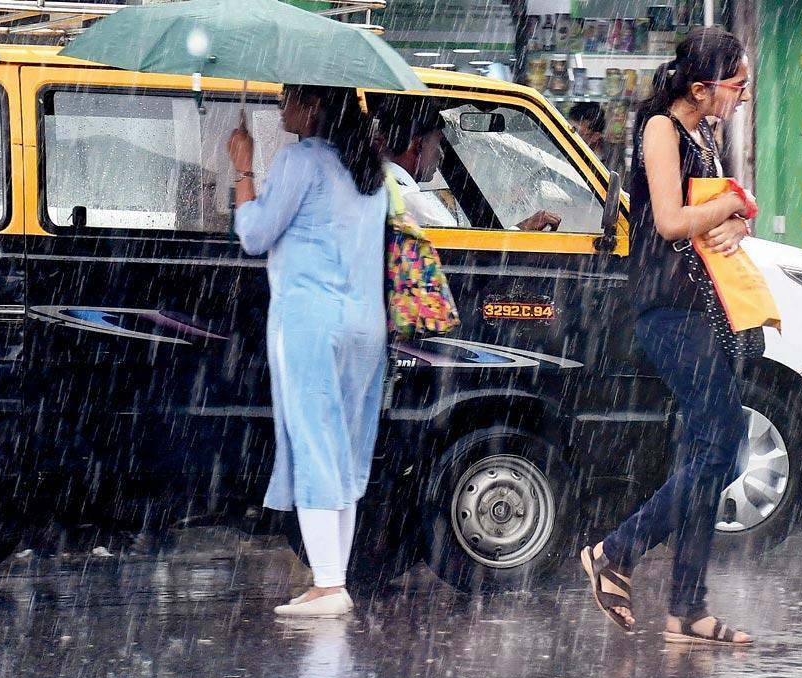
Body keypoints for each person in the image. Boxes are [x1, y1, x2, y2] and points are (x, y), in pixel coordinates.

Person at [580, 28, 754, 647]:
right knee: (725, 444)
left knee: (711, 452)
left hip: (705, 306)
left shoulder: (705, 135)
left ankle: (686, 606)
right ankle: (615, 552)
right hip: (667, 307)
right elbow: (671, 219)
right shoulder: (661, 128)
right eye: (738, 85)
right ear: (702, 86)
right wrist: (735, 202)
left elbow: (715, 218)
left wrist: (734, 214)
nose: (744, 96)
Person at [227, 85, 388, 617]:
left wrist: (244, 169)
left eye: (289, 98)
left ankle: (327, 583)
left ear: (313, 107)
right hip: (366, 325)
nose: (280, 106)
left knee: (316, 441)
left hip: (311, 323)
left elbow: (255, 234)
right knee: (343, 448)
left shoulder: (301, 161)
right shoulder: (370, 170)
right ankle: (333, 578)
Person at [380, 106, 561, 232]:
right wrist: (524, 228)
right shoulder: (410, 199)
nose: (440, 154)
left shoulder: (382, 185)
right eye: (437, 144)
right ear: (418, 145)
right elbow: (466, 253)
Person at [569, 101, 624, 176]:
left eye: (577, 132)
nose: (570, 137)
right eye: (570, 130)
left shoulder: (613, 159)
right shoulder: (563, 153)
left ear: (595, 136)